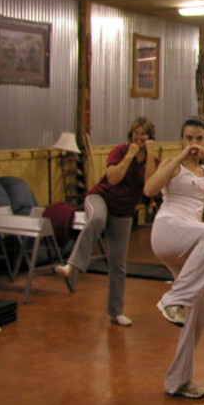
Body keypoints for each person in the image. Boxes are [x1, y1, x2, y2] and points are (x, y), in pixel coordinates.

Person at [143, 116, 204, 399]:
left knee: (201, 314)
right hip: (167, 232)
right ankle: (172, 300)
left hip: (189, 243)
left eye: (199, 139)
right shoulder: (171, 166)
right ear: (181, 140)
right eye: (189, 139)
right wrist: (179, 158)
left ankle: (179, 381)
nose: (194, 144)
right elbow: (149, 190)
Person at [55, 117, 158, 327]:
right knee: (98, 219)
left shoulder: (151, 159)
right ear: (131, 135)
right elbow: (112, 178)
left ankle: (116, 312)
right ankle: (72, 265)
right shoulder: (120, 151)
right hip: (100, 198)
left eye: (143, 134)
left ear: (150, 138)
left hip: (123, 211)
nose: (139, 137)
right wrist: (129, 156)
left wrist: (150, 155)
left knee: (118, 264)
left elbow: (150, 186)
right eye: (136, 133)